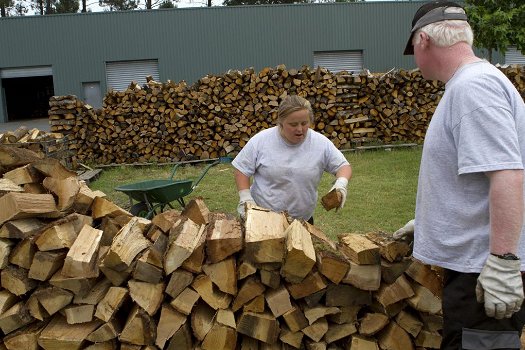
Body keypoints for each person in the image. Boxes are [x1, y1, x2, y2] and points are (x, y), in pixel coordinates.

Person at [395, 1, 525, 349]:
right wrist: (429, 220)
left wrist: (503, 263)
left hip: (481, 272)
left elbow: (507, 174)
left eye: (413, 51)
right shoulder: (471, 83)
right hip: (474, 264)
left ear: (423, 39)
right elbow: (474, 179)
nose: (416, 60)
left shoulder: (473, 88)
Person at [231, 94, 352, 223]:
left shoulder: (320, 143)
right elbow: (242, 170)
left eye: (304, 123)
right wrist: (245, 198)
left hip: (302, 220)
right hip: (263, 220)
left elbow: (343, 166)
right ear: (281, 123)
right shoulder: (261, 141)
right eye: (293, 124)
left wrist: (341, 184)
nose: (300, 129)